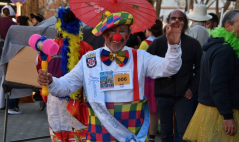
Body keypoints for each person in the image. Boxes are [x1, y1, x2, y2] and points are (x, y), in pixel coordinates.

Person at [37, 10, 183, 141]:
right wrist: (51, 81)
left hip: (131, 132)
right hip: (100, 131)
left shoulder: (140, 57)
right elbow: (67, 85)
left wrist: (174, 47)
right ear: (103, 33)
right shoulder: (89, 60)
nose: (116, 36)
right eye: (111, 31)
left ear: (129, 34)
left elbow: (168, 68)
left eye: (122, 30)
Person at [36, 7, 93, 142]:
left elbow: (40, 71)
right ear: (78, 24)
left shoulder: (47, 46)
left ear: (59, 24)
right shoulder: (86, 48)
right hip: (77, 101)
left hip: (54, 101)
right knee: (79, 136)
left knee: (59, 136)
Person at [183, 10, 239, 142]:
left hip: (213, 110)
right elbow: (218, 84)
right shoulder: (225, 50)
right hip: (219, 114)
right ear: (227, 26)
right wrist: (227, 116)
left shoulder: (217, 46)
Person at [147, 10, 202, 142]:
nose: (176, 21)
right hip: (163, 93)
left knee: (185, 132)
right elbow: (147, 64)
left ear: (186, 23)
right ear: (168, 21)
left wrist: (193, 89)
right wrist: (161, 72)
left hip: (184, 94)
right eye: (173, 18)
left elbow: (201, 69)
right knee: (166, 132)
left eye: (180, 19)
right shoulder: (158, 43)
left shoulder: (193, 44)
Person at [139, 19, 163, 142]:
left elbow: (139, 63)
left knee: (145, 109)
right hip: (160, 78)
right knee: (155, 111)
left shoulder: (145, 43)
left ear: (149, 30)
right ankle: (153, 137)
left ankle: (144, 136)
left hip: (147, 80)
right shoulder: (164, 42)